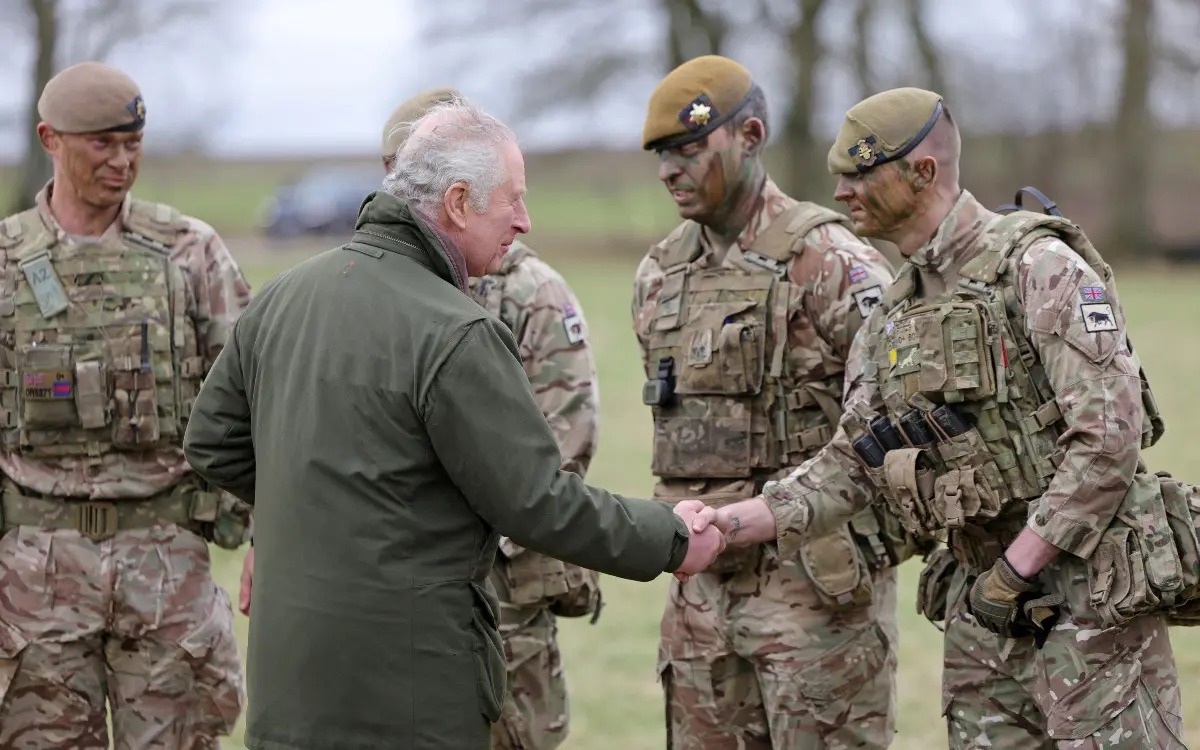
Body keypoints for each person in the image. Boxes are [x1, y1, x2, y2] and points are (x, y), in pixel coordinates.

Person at [182, 98, 726, 750]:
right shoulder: (456, 332)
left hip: (287, 689)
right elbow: (538, 503)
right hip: (411, 694)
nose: (525, 220)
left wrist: (318, 507)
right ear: (459, 202)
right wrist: (671, 540)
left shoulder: (281, 298)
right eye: (513, 200)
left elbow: (212, 442)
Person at [700, 87, 1188, 747]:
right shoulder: (893, 313)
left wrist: (1016, 570)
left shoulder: (1038, 266)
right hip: (983, 612)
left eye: (859, 174)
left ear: (921, 174)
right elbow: (853, 462)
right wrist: (731, 524)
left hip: (1090, 600)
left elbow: (1107, 441)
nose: (840, 192)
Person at [237, 86, 607, 750]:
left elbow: (563, 445)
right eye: (389, 170)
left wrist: (445, 534)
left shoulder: (527, 292)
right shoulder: (352, 287)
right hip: (391, 609)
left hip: (505, 595)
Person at [634, 55, 915, 749]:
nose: (672, 171)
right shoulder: (658, 275)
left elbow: (903, 422)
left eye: (692, 150)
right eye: (663, 156)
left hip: (816, 607)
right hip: (701, 606)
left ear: (752, 135)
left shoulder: (834, 263)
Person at [0, 61, 250, 748]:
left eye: (132, 145)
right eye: (101, 145)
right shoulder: (6, 260)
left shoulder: (189, 253)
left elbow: (256, 400)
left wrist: (268, 531)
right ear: (51, 139)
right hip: (36, 573)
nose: (122, 161)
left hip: (166, 557)